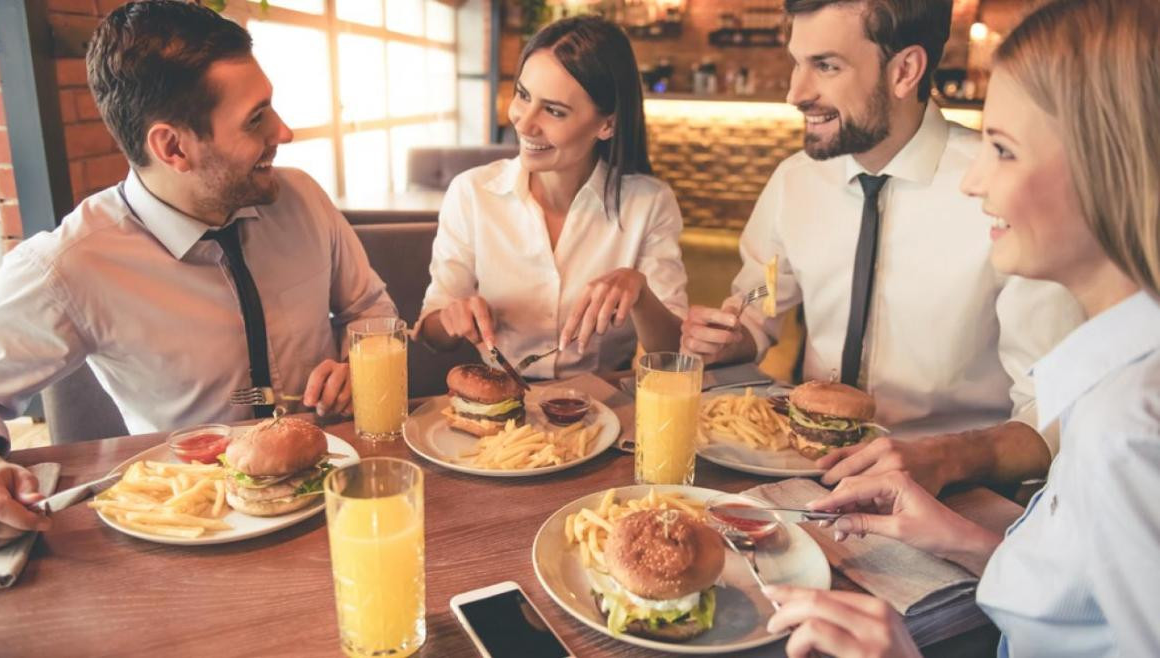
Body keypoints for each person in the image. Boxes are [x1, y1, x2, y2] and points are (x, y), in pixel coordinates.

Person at [764, 1, 1160, 655]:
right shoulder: (1112, 389)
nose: (974, 179)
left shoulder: (1129, 428)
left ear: (1108, 166)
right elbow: (1082, 597)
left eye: (1002, 150)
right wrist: (951, 535)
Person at [0, 2, 394, 545]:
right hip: (193, 538)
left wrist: (356, 360)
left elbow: (372, 310)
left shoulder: (303, 198)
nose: (285, 131)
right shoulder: (70, 264)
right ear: (173, 146)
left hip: (345, 500)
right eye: (256, 119)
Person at [679, 0, 1083, 494]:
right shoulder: (794, 181)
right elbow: (758, 308)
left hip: (950, 492)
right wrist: (734, 336)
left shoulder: (1002, 189)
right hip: (798, 469)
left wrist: (952, 456)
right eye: (796, 62)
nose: (795, 93)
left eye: (826, 66)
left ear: (905, 70)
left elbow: (1057, 407)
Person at [414, 16, 688, 378]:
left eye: (554, 110)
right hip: (503, 406)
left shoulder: (650, 204)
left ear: (607, 124)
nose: (524, 123)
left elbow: (672, 353)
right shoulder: (471, 193)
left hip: (607, 403)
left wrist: (641, 293)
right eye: (524, 95)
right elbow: (431, 334)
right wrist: (451, 317)